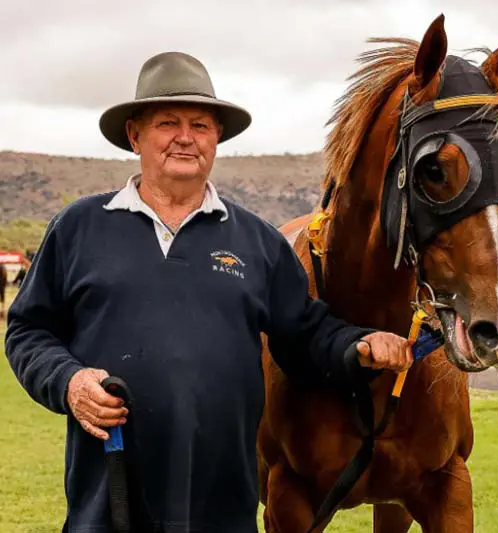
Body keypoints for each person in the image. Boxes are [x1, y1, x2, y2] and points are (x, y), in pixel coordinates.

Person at [4, 52, 413, 532]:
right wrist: (70, 383)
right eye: (167, 123)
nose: (185, 137)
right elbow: (28, 332)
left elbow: (304, 334)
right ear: (135, 134)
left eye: (200, 125)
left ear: (217, 137)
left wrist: (358, 345)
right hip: (107, 494)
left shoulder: (257, 242)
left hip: (221, 501)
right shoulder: (79, 227)